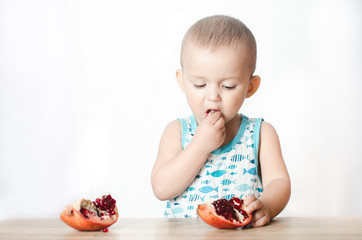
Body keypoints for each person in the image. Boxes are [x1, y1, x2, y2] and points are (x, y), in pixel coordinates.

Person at [151, 15, 290, 227]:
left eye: (228, 86)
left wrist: (267, 206)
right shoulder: (177, 131)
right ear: (182, 81)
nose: (213, 96)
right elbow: (161, 188)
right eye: (199, 84)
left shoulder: (261, 133)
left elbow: (279, 182)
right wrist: (200, 145)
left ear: (250, 87)